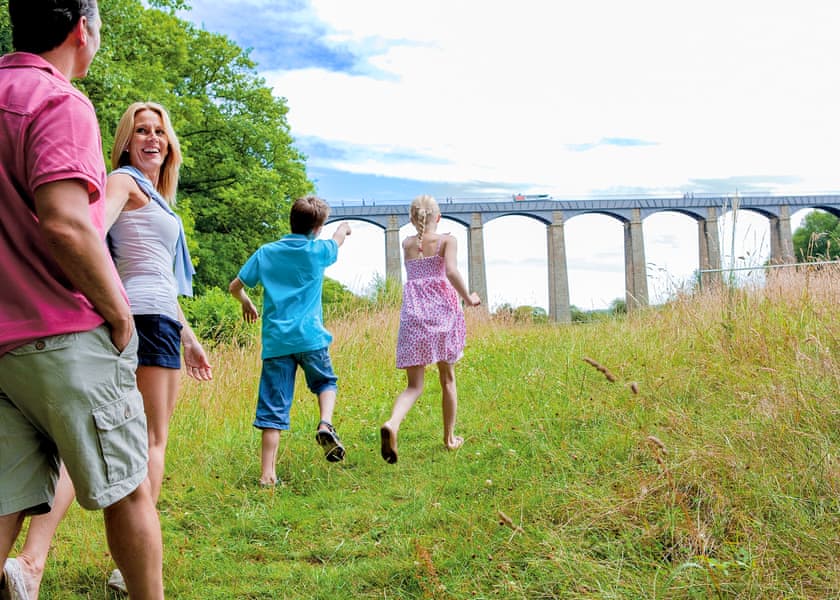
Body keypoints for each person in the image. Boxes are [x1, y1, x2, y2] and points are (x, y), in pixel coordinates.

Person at [5, 101, 213, 598]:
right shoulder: (124, 181)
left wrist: (189, 337)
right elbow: (90, 233)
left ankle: (30, 565)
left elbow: (159, 276)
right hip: (139, 320)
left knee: (87, 440)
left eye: (159, 131)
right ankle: (127, 570)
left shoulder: (156, 197)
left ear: (170, 144)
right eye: (141, 130)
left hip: (157, 318)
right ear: (124, 141)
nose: (152, 138)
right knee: (151, 442)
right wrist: (114, 309)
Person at [0, 1, 164, 599]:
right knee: (130, 490)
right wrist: (118, 313)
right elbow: (67, 224)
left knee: (3, 500)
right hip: (64, 333)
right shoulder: (58, 100)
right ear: (81, 29)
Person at [229, 196, 351, 486]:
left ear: (291, 221)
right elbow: (338, 239)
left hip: (277, 343)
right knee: (325, 383)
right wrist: (344, 227)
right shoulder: (318, 251)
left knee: (273, 408)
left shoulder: (266, 252)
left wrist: (246, 301)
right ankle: (325, 423)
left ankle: (267, 475)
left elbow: (235, 287)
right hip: (310, 338)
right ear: (317, 229)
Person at [379, 194, 481, 464]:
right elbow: (451, 272)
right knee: (447, 379)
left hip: (414, 316)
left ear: (412, 219)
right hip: (442, 314)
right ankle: (449, 438)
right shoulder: (447, 240)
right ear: (439, 216)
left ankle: (392, 423)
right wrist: (469, 298)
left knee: (414, 386)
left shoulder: (407, 244)